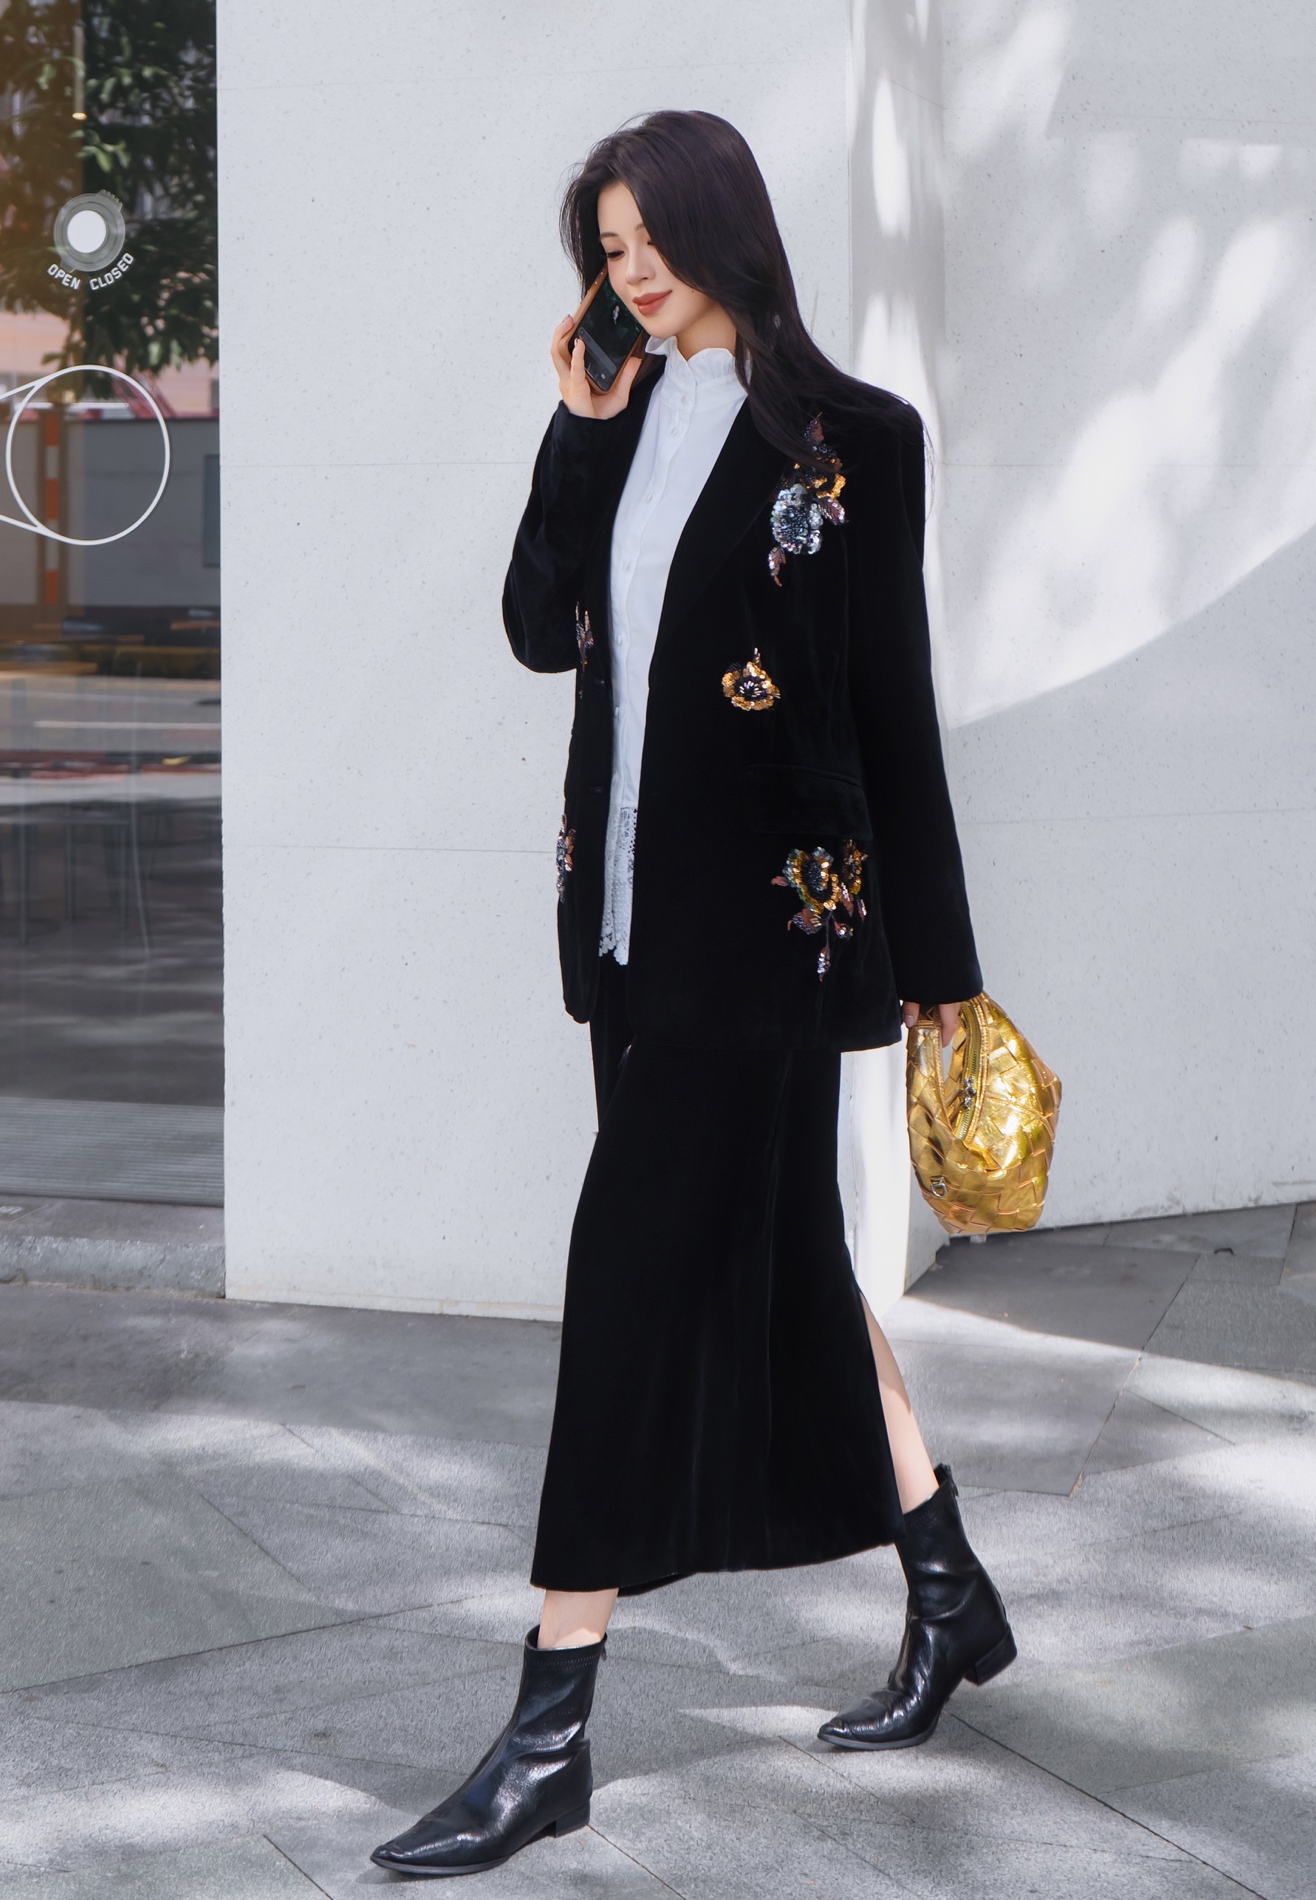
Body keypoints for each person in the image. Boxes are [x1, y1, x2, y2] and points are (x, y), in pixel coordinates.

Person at [372, 109, 1014, 1881]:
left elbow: (892, 712)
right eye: (608, 246)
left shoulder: (853, 441)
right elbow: (535, 629)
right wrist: (575, 434)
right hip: (631, 933)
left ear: (725, 227)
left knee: (627, 1283)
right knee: (788, 1259)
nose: (630, 272)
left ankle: (549, 1728)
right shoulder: (622, 412)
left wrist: (942, 976)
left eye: (650, 238)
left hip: (775, 943)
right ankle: (948, 1591)